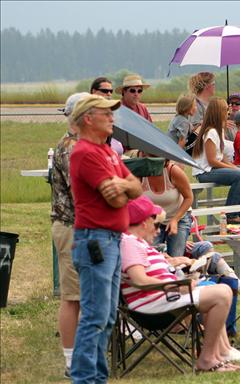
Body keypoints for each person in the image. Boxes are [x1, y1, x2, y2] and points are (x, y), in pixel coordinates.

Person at [120, 196, 240, 372]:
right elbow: (139, 280)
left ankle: (219, 353)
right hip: (153, 305)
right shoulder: (129, 242)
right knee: (222, 293)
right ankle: (208, 358)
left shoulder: (137, 243)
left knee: (218, 290)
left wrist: (181, 281)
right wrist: (175, 286)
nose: (158, 231)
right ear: (144, 222)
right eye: (156, 225)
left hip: (162, 299)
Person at [69, 94, 143, 383]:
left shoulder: (108, 152)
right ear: (88, 118)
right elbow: (114, 202)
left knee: (108, 317)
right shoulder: (85, 152)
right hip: (95, 240)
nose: (113, 118)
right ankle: (85, 378)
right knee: (95, 316)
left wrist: (122, 184)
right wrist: (124, 188)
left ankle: (96, 377)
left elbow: (136, 188)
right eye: (106, 113)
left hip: (110, 240)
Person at [50, 92, 88, 378]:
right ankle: (71, 359)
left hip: (81, 227)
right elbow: (81, 197)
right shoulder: (71, 148)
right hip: (72, 227)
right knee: (73, 296)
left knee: (84, 294)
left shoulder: (81, 146)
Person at [192, 98, 240, 224]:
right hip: (205, 172)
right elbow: (212, 161)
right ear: (218, 112)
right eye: (226, 109)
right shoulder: (211, 132)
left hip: (214, 168)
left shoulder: (219, 131)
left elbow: (222, 157)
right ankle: (230, 214)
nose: (229, 111)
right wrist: (234, 169)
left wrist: (233, 166)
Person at [141, 158, 193, 257]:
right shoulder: (139, 174)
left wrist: (175, 220)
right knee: (150, 255)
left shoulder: (173, 171)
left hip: (178, 217)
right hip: (153, 220)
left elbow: (189, 197)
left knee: (175, 256)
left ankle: (193, 250)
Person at [90, 76, 124, 156]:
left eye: (111, 91)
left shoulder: (115, 112)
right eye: (105, 91)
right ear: (93, 91)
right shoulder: (88, 113)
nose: (109, 94)